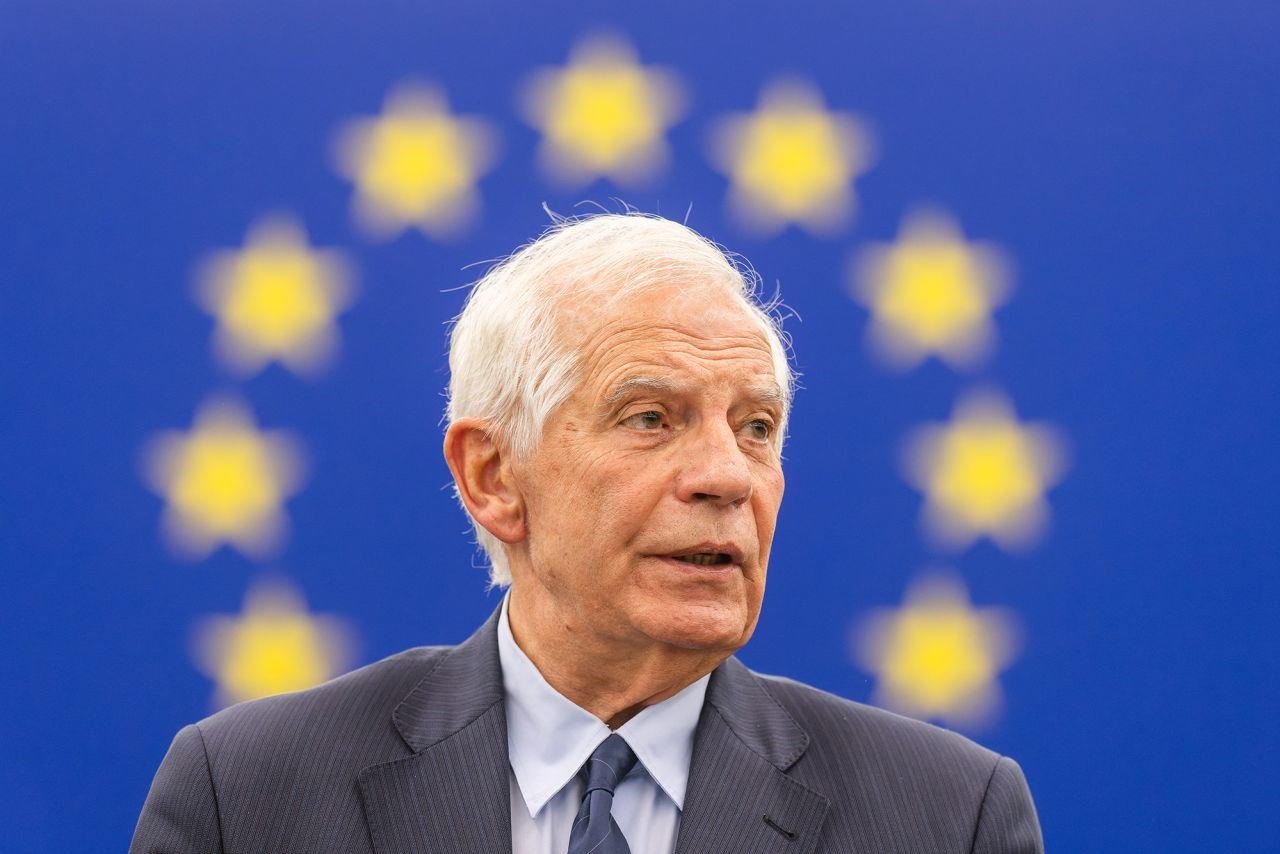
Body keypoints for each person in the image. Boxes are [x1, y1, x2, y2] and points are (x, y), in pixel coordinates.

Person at [131, 213, 1044, 853]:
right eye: (652, 418)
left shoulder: (947, 815)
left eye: (756, 427)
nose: (728, 475)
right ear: (493, 477)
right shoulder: (247, 797)